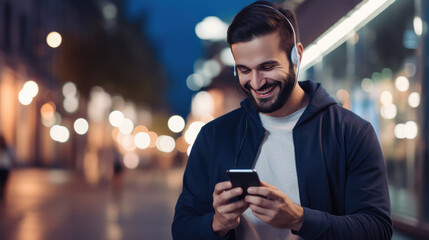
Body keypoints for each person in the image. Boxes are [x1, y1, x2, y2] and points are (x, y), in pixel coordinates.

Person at [172, 1, 392, 239]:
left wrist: (300, 218)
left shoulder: (351, 133)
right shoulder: (214, 136)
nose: (256, 83)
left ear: (296, 55)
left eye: (267, 67)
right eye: (244, 70)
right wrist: (217, 223)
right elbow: (182, 229)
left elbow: (377, 229)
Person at [0, 134, 13, 201]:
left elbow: (12, 156)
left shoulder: (7, 148)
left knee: (4, 183)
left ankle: (3, 194)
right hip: (1, 167)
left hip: (5, 168)